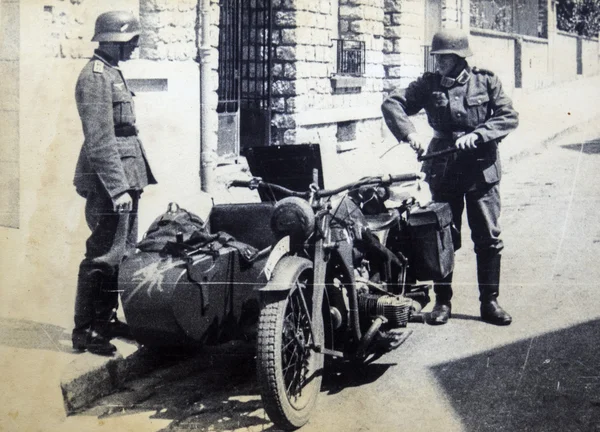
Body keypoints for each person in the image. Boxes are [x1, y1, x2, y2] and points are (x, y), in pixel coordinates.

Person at [381, 29, 519, 326]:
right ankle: (443, 302)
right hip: (443, 168)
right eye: (437, 57)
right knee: (442, 236)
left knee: (488, 237)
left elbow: (508, 116)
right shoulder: (428, 84)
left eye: (444, 57)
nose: (438, 62)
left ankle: (489, 303)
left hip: (481, 169)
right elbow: (393, 103)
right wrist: (411, 134)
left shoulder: (486, 80)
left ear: (459, 57)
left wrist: (480, 134)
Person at [72, 11, 157, 355]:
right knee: (103, 255)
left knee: (122, 253)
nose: (135, 46)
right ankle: (86, 331)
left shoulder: (112, 72)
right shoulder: (94, 77)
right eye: (131, 40)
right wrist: (117, 187)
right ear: (114, 38)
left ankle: (105, 319)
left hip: (127, 175)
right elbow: (99, 139)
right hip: (111, 182)